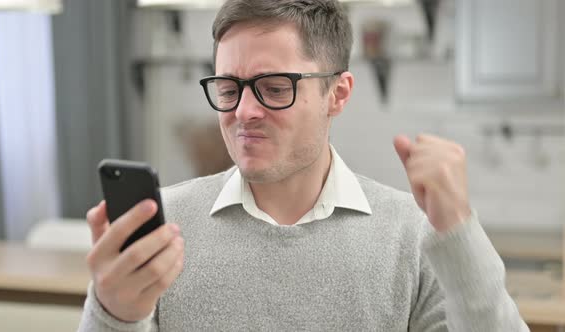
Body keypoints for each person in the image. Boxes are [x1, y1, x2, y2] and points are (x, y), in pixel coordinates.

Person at [78, 0, 529, 331]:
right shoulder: (166, 225)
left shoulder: (413, 236)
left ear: (338, 94)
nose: (244, 112)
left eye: (275, 88)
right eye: (229, 88)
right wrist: (114, 314)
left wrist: (460, 236)